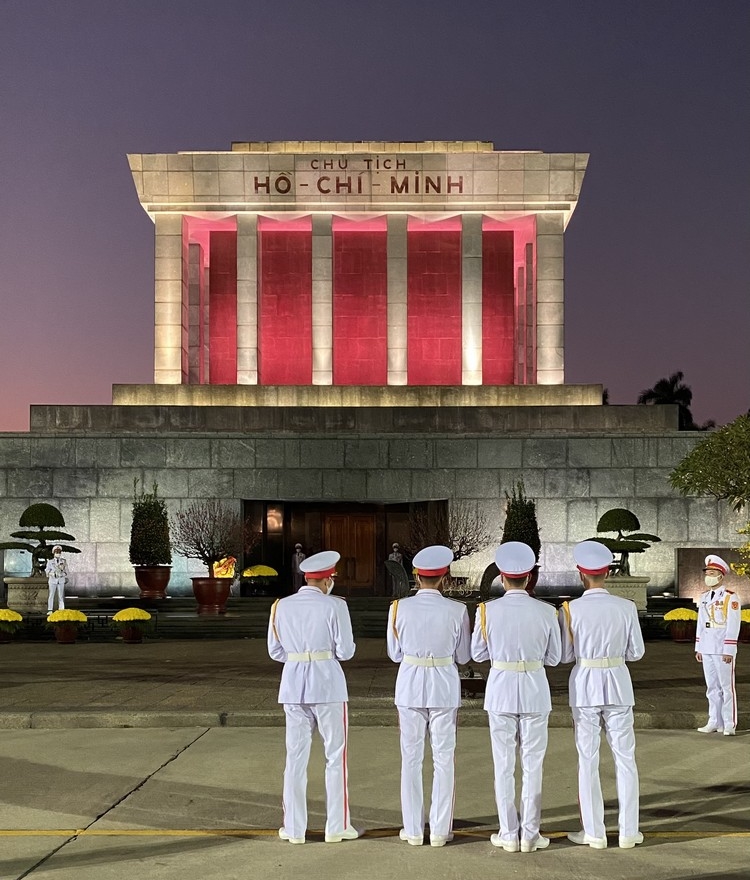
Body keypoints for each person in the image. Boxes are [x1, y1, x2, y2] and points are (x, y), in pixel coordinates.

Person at [471, 542, 561, 853]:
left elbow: (477, 654)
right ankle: (530, 834)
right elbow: (554, 658)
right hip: (535, 689)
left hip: (501, 690)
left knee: (503, 765)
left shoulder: (487, 611)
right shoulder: (547, 611)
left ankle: (508, 833)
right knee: (533, 765)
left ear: (502, 577)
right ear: (529, 577)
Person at [267, 550, 359, 845]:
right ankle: (337, 826)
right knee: (335, 756)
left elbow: (275, 651)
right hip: (328, 683)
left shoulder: (281, 606)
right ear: (328, 579)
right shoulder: (336, 605)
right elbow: (346, 651)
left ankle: (294, 829)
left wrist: (299, 659)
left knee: (295, 758)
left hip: (294, 684)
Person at [559, 540, 645, 850]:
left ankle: (594, 832)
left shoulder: (570, 609)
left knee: (588, 759)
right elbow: (636, 652)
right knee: (626, 759)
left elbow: (565, 655)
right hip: (618, 683)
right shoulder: (626, 607)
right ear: (607, 573)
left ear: (581, 574)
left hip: (585, 686)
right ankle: (629, 831)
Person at [387, 544, 471, 847]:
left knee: (410, 759)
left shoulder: (398, 608)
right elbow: (464, 656)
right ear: (444, 578)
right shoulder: (457, 610)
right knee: (444, 759)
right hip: (443, 686)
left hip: (410, 685)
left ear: (416, 577)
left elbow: (394, 653)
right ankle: (439, 830)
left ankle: (412, 829)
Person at [695, 554, 740, 736]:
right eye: (707, 573)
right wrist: (698, 647)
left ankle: (729, 723)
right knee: (712, 687)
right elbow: (700, 623)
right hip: (707, 647)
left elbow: (733, 625)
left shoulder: (730, 597)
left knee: (726, 687)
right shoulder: (704, 597)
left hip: (722, 648)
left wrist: (729, 649)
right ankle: (714, 721)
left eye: (712, 573)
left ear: (721, 576)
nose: (708, 576)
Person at [45, 545, 68, 613]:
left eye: (59, 552)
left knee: (61, 596)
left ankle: (61, 610)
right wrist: (53, 574)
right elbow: (47, 571)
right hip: (52, 580)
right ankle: (50, 610)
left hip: (61, 580)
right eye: (56, 552)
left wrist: (62, 574)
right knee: (51, 595)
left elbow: (67, 571)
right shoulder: (50, 561)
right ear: (53, 553)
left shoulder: (63, 561)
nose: (58, 553)